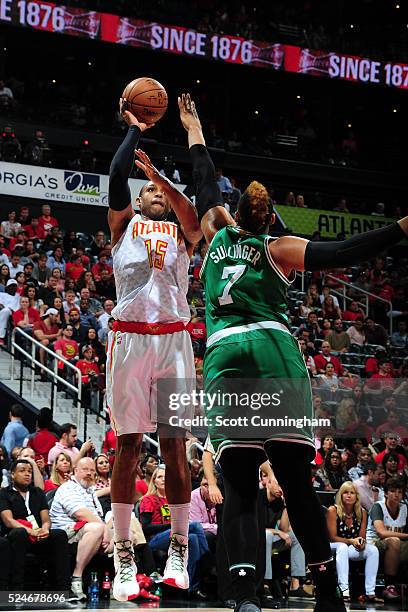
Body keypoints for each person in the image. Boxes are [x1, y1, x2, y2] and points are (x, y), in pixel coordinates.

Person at [136, 92, 407, 612]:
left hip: (225, 358)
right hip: (275, 354)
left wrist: (194, 127)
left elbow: (203, 177)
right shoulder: (278, 248)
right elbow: (344, 252)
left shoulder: (216, 234)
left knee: (238, 485)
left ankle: (241, 594)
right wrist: (399, 228)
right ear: (271, 219)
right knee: (298, 486)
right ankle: (329, 592)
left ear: (233, 212)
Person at [106, 96, 202, 601]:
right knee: (127, 445)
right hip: (130, 340)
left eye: (160, 192)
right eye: (148, 192)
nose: (153, 195)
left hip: (173, 344)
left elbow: (193, 213)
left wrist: (166, 180)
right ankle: (123, 557)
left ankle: (180, 550)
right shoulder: (123, 225)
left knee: (174, 447)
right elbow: (119, 173)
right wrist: (134, 130)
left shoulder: (184, 233)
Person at [0, 459, 73, 593]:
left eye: (29, 472)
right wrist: (31, 531)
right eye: (22, 471)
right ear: (12, 474)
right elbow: (8, 521)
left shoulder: (37, 493)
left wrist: (45, 529)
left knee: (59, 534)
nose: (27, 474)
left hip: (39, 535)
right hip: (17, 537)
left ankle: (63, 590)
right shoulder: (5, 493)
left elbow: (46, 518)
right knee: (20, 533)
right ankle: (17, 591)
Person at [139, 466, 209, 598]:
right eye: (160, 477)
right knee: (194, 525)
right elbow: (146, 528)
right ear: (154, 481)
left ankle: (191, 587)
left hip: (175, 535)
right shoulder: (148, 499)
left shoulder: (175, 500)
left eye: (166, 477)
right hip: (155, 540)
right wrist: (171, 525)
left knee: (193, 539)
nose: (164, 479)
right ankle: (206, 558)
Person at [49, 457, 111, 600]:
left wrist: (110, 533)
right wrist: (105, 531)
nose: (89, 473)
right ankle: (76, 577)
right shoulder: (68, 487)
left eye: (92, 471)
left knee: (127, 535)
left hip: (88, 529)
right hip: (66, 532)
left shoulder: (90, 491)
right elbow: (81, 514)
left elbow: (98, 517)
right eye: (85, 469)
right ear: (75, 471)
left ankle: (119, 583)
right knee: (97, 529)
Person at [327, 482, 381, 602]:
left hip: (349, 547)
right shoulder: (333, 510)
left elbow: (361, 537)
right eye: (345, 492)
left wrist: (361, 543)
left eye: (352, 493)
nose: (349, 495)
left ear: (356, 496)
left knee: (373, 550)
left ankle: (370, 592)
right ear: (341, 495)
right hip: (333, 546)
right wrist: (351, 541)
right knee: (342, 547)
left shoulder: (362, 512)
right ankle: (344, 589)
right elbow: (332, 537)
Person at [366, 477, 408, 601]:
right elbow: (382, 533)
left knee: (396, 541)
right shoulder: (378, 507)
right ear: (385, 493)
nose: (396, 495)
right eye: (393, 491)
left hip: (397, 546)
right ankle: (389, 586)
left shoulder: (405, 508)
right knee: (393, 540)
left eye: (400, 492)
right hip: (375, 545)